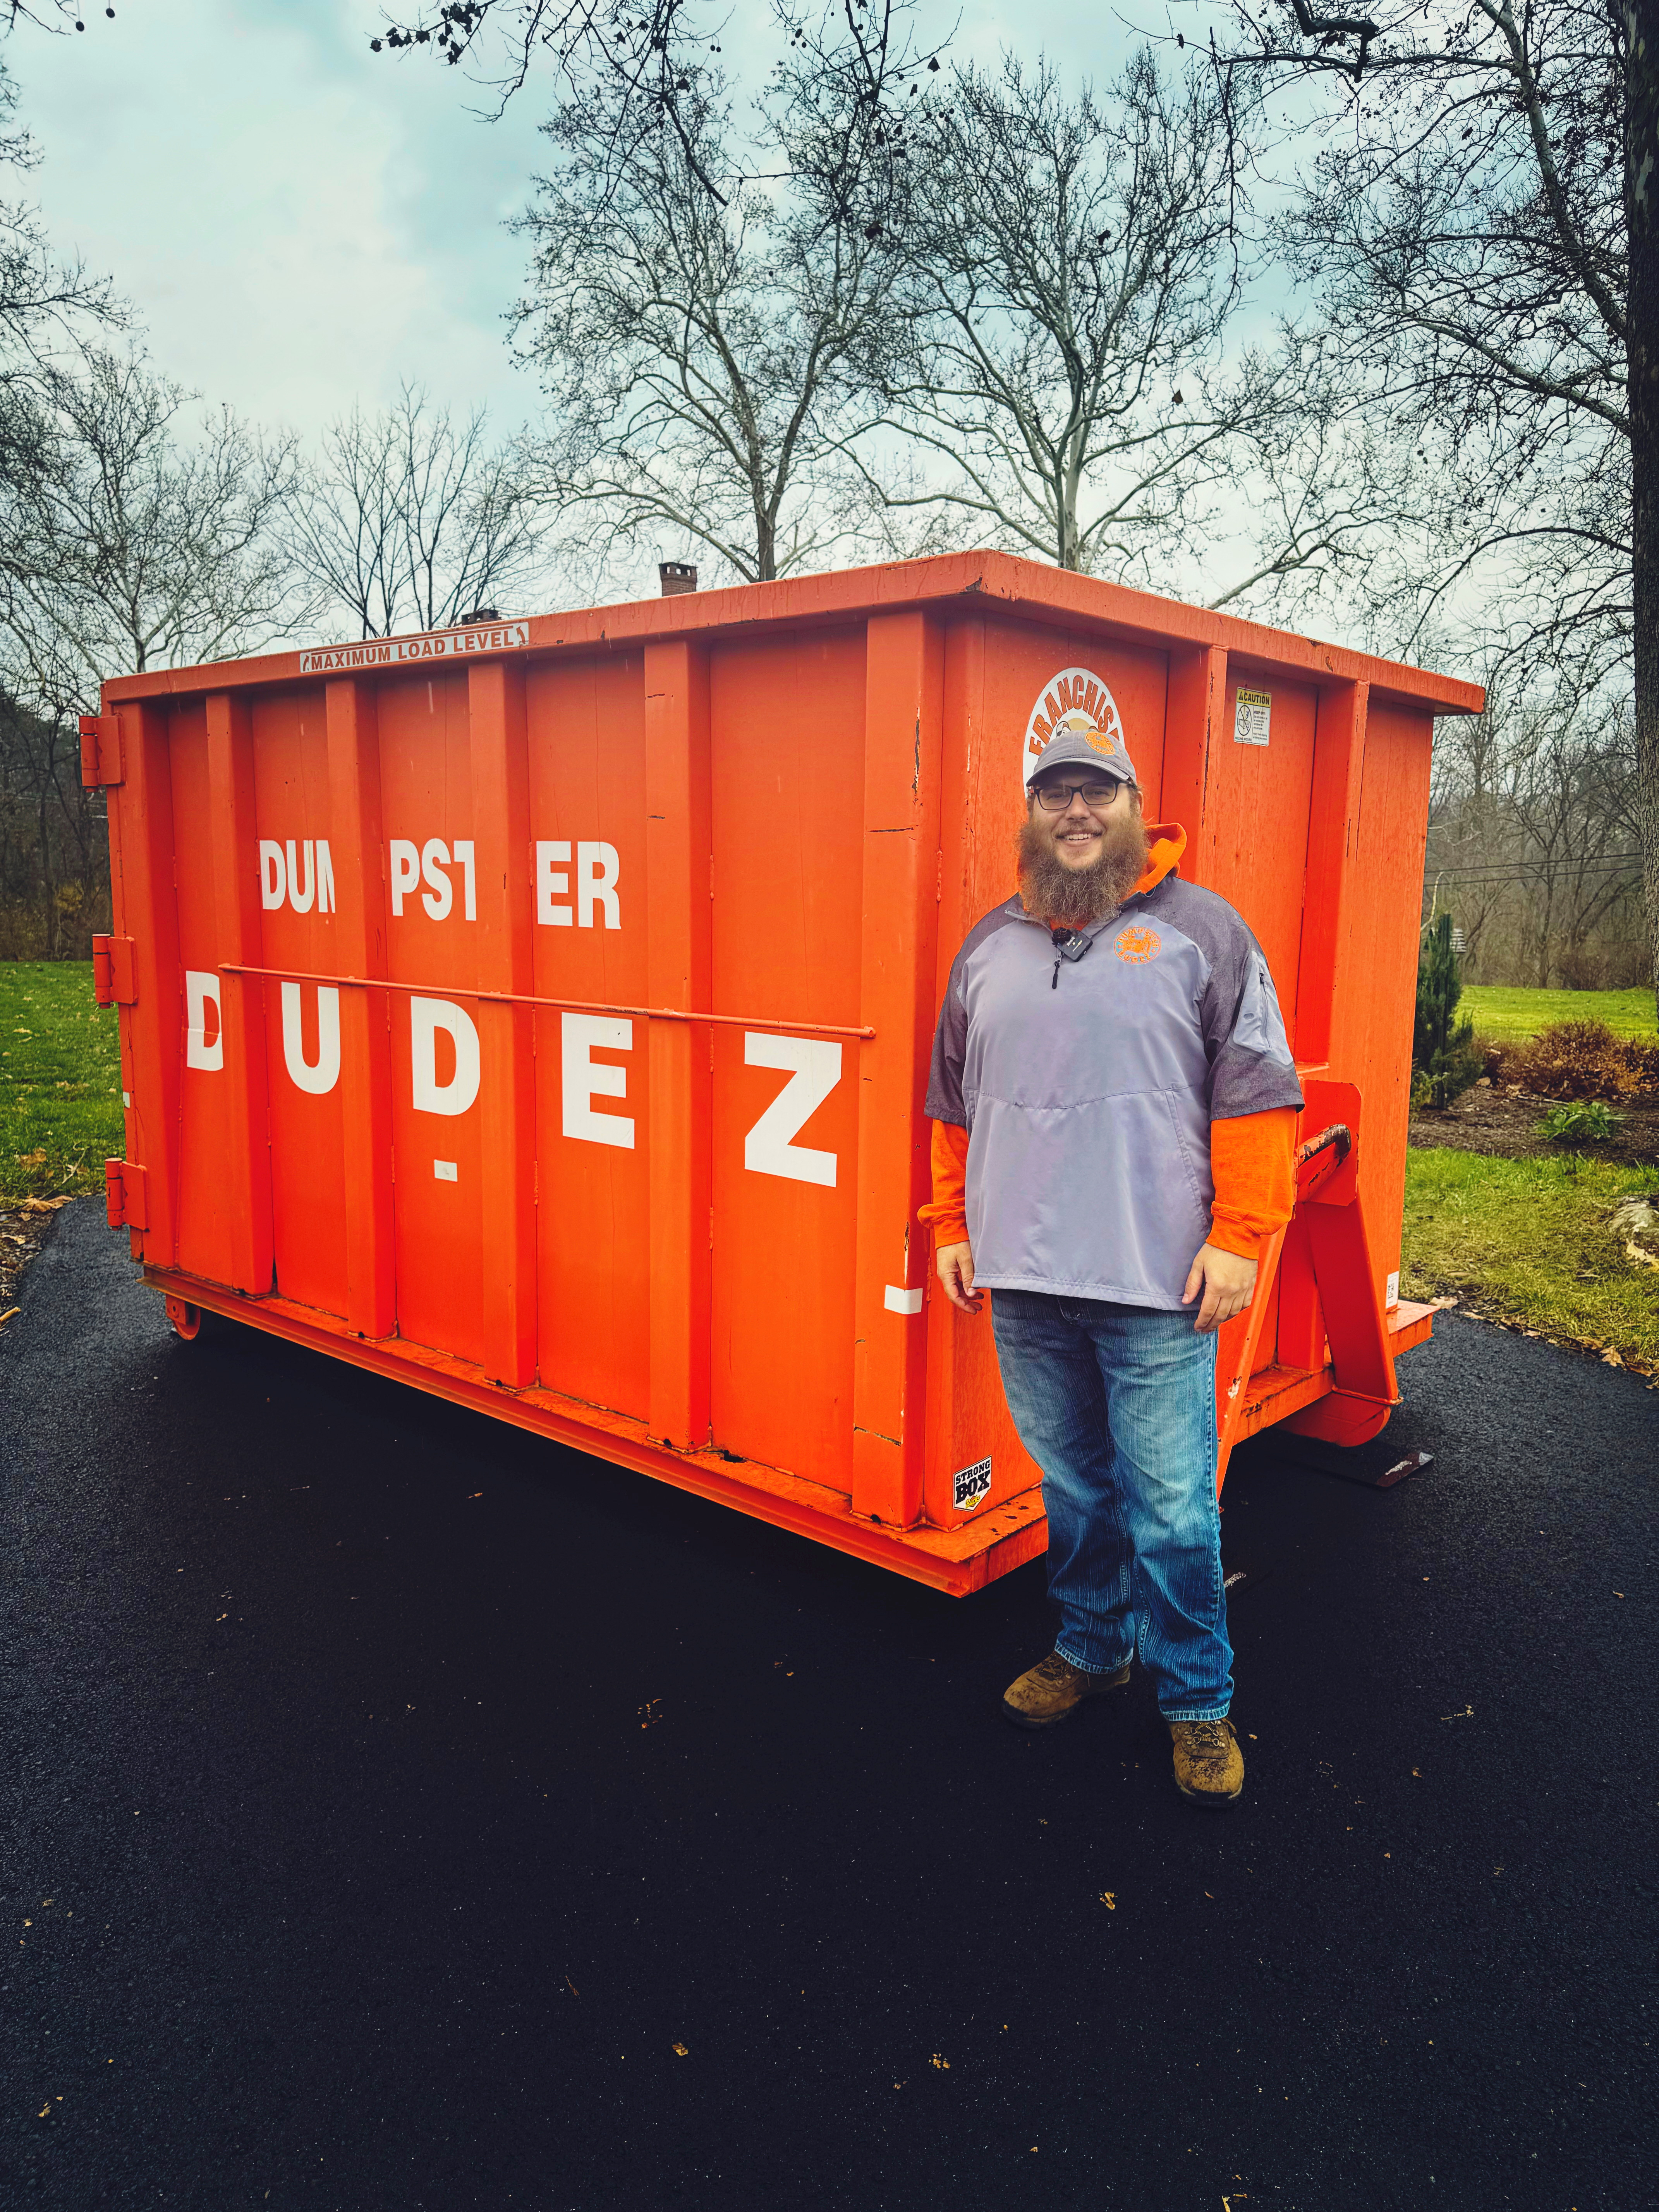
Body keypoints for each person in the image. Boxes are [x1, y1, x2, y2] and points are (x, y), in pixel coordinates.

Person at [920, 716, 1303, 1807]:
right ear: (1031, 814)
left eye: (1097, 793)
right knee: (1076, 1489)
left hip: (1153, 1285)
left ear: (1135, 808)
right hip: (1027, 1280)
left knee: (1175, 1506)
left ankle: (1197, 1703)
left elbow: (1261, 1094)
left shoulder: (1203, 932)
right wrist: (949, 1222)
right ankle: (1092, 1652)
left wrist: (1239, 1238)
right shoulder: (989, 944)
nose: (1076, 811)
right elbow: (952, 1103)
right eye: (1055, 794)